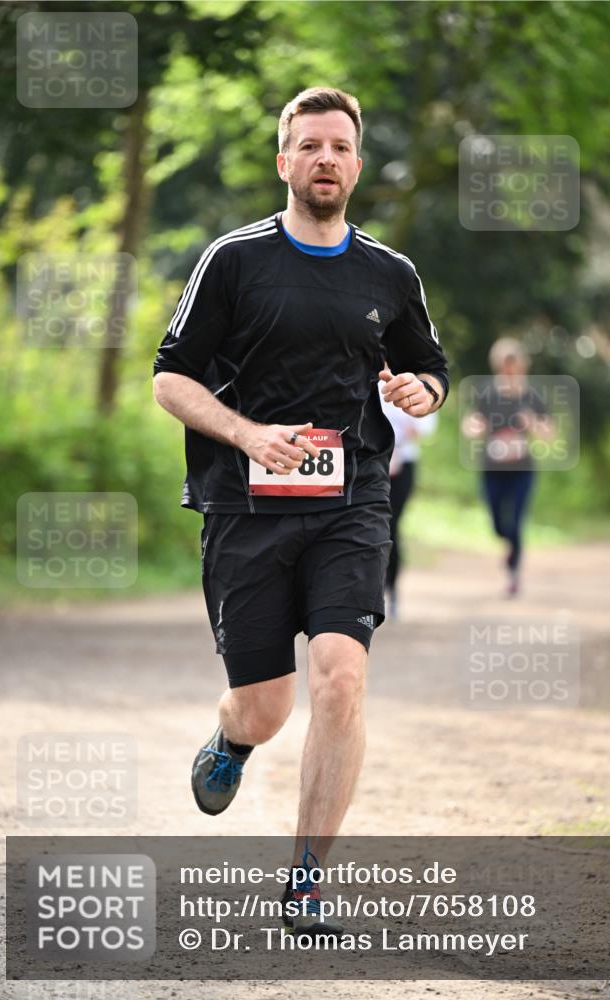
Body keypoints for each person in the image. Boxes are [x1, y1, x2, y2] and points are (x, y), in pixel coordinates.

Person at [153, 86, 449, 934]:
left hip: (352, 497)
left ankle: (309, 877)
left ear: (357, 165)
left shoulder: (388, 273)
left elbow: (428, 365)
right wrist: (246, 435)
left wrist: (419, 390)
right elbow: (170, 378)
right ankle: (232, 740)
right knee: (267, 705)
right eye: (309, 146)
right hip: (243, 505)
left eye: (340, 147)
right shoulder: (234, 261)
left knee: (341, 678)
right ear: (284, 161)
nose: (326, 159)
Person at [461, 338, 553, 597]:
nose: (509, 372)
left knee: (516, 522)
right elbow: (470, 423)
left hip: (522, 469)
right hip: (492, 468)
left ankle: (513, 572)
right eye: (505, 367)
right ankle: (508, 545)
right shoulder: (488, 394)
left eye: (514, 366)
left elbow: (548, 431)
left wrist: (533, 422)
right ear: (498, 367)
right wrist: (474, 428)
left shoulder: (532, 395)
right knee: (498, 525)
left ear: (522, 367)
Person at [379, 379, 438, 618]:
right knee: (371, 527)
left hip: (403, 463)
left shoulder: (410, 378)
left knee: (391, 526)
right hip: (372, 463)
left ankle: (391, 589)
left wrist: (413, 428)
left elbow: (426, 421)